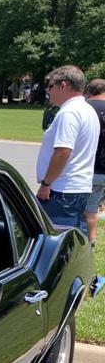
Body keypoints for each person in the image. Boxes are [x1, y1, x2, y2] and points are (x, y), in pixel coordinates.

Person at [35, 65, 100, 232]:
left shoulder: (69, 113)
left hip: (62, 190)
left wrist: (46, 183)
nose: (48, 91)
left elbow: (63, 151)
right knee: (74, 236)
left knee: (57, 240)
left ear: (63, 85)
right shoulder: (87, 110)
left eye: (50, 86)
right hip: (79, 188)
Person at [82, 78, 105, 246]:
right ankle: (91, 240)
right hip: (103, 170)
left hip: (86, 167)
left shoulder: (83, 108)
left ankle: (85, 241)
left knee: (81, 211)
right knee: (92, 208)